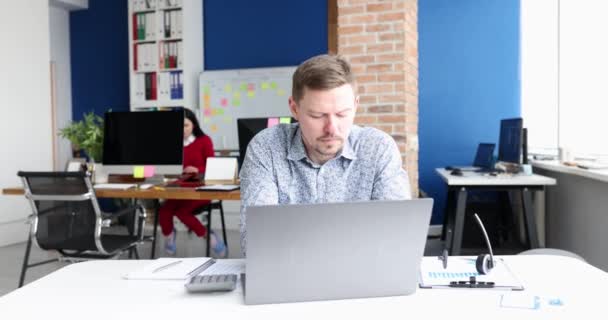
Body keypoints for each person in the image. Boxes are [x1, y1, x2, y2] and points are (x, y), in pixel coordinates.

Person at [239, 54, 411, 255]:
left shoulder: (378, 148)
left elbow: (397, 237)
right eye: (317, 115)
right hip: (290, 277)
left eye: (342, 114)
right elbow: (255, 241)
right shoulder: (266, 147)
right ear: (294, 108)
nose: (331, 128)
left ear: (355, 105)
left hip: (363, 278)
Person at [159, 108, 226, 257]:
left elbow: (212, 166)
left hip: (201, 190)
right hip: (179, 189)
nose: (182, 130)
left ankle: (208, 236)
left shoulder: (204, 141)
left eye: (185, 125)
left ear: (193, 124)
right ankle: (170, 235)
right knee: (164, 211)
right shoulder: (171, 143)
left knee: (182, 212)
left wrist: (197, 169)